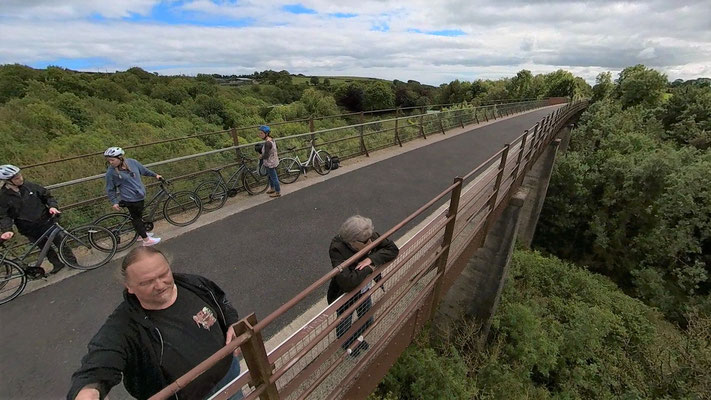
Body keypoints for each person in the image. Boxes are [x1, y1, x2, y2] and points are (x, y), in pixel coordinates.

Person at [68, 247, 244, 400]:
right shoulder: (123, 325)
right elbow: (101, 360)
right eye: (147, 282)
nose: (160, 285)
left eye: (164, 274)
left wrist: (231, 323)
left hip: (229, 374)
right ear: (128, 286)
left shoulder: (193, 284)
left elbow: (221, 301)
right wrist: (89, 389)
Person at [327, 215, 399, 357]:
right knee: (344, 323)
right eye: (366, 241)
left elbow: (392, 249)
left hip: (364, 289)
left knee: (367, 318)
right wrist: (369, 268)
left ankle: (358, 338)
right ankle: (347, 345)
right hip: (344, 295)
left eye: (371, 238)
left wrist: (370, 259)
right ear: (353, 242)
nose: (371, 242)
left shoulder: (367, 236)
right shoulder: (337, 248)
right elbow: (347, 282)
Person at [0, 164, 76, 275]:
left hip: (46, 220)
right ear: (8, 181)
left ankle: (72, 261)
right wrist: (7, 229)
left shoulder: (30, 186)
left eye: (20, 175)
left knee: (60, 240)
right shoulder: (3, 197)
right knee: (44, 247)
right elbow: (4, 215)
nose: (20, 178)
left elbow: (47, 196)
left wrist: (53, 207)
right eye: (16, 178)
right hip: (28, 227)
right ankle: (57, 264)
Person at [103, 147, 162, 246]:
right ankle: (146, 240)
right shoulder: (111, 172)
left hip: (139, 196)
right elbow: (110, 188)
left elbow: (144, 170)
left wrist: (155, 175)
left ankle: (140, 234)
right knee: (137, 219)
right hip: (130, 199)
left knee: (139, 216)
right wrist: (114, 201)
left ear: (120, 158)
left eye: (112, 160)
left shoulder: (132, 162)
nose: (111, 163)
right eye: (109, 161)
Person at [257, 125, 281, 198]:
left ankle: (277, 192)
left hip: (270, 163)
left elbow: (266, 155)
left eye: (261, 133)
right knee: (270, 176)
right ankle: (272, 188)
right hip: (273, 161)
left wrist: (261, 156)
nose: (260, 134)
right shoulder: (271, 139)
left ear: (266, 134)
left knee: (274, 177)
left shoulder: (267, 143)